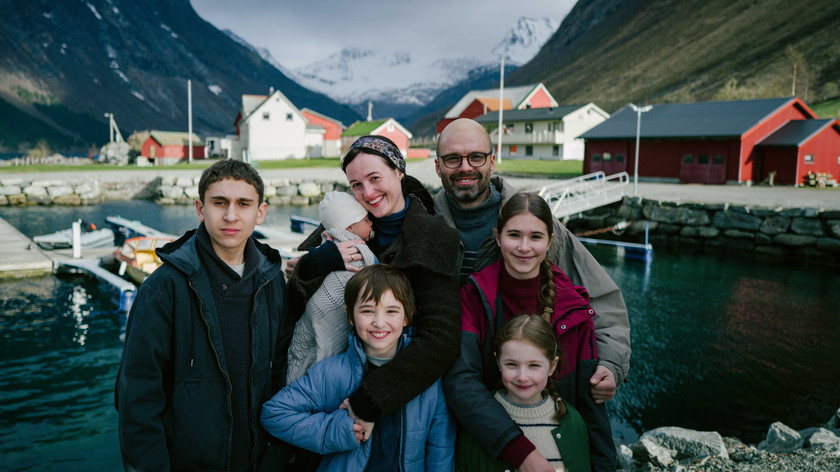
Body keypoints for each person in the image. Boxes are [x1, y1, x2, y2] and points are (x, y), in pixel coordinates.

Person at [434, 118, 631, 404]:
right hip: (449, 390)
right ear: (438, 166)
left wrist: (610, 364)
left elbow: (604, 302)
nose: (465, 167)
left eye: (476, 156)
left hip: (529, 392)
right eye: (453, 158)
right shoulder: (423, 226)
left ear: (492, 162)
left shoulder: (537, 227)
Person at [115, 159, 293, 471]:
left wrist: (276, 457)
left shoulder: (272, 280)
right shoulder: (162, 291)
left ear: (260, 213)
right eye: (219, 202)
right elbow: (137, 403)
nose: (231, 215)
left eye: (244, 204)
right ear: (200, 208)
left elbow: (282, 376)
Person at [287, 135, 462, 448]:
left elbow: (441, 338)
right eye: (355, 184)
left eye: (374, 178)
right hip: (328, 384)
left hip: (398, 398)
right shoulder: (344, 225)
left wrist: (371, 398)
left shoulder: (432, 237)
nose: (367, 193)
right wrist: (316, 263)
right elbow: (293, 306)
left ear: (399, 172)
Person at [445, 192, 615, 472]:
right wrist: (519, 451)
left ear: (549, 241)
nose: (524, 247)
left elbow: (590, 406)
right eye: (514, 235)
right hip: (491, 448)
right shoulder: (474, 297)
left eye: (535, 237)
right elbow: (461, 381)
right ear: (498, 237)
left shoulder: (572, 307)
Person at [261, 264, 455, 471]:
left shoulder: (425, 377)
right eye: (368, 310)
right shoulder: (331, 373)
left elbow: (440, 448)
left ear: (407, 316)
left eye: (391, 311)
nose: (379, 323)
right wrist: (337, 429)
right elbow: (274, 414)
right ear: (350, 316)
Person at [455, 315, 591, 472]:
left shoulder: (572, 421)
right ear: (498, 362)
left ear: (552, 366)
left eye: (533, 365)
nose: (522, 377)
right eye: (511, 364)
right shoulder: (478, 422)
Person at [286, 191, 378, 384]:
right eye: (366, 219)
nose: (371, 223)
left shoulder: (322, 247)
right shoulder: (358, 250)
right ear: (351, 226)